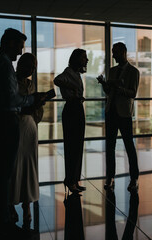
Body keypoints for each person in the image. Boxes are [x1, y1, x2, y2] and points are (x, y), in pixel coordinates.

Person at [0, 28, 46, 237]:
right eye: (19, 46)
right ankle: (5, 220)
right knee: (5, 172)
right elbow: (12, 100)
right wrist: (33, 99)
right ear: (9, 43)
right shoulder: (4, 64)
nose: (19, 53)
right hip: (6, 121)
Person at [97, 42, 140, 192]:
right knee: (110, 147)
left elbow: (133, 93)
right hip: (111, 112)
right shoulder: (112, 70)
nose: (113, 55)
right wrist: (104, 84)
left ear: (123, 52)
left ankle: (134, 178)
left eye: (115, 52)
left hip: (124, 113)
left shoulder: (134, 72)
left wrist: (118, 88)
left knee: (129, 146)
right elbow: (108, 92)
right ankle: (110, 177)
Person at [9, 53, 43, 229]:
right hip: (17, 125)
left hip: (29, 126)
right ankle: (11, 203)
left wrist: (38, 103)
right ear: (21, 65)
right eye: (30, 66)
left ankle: (26, 204)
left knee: (29, 165)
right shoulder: (12, 81)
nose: (32, 70)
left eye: (34, 67)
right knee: (15, 165)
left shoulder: (30, 84)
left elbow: (31, 106)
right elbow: (13, 102)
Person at [54, 48, 88, 194]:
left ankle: (74, 180)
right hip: (72, 109)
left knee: (78, 146)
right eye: (84, 57)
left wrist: (77, 94)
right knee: (72, 146)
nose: (86, 60)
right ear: (77, 59)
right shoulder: (68, 72)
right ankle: (70, 180)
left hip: (77, 108)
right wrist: (72, 87)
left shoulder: (76, 73)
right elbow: (57, 80)